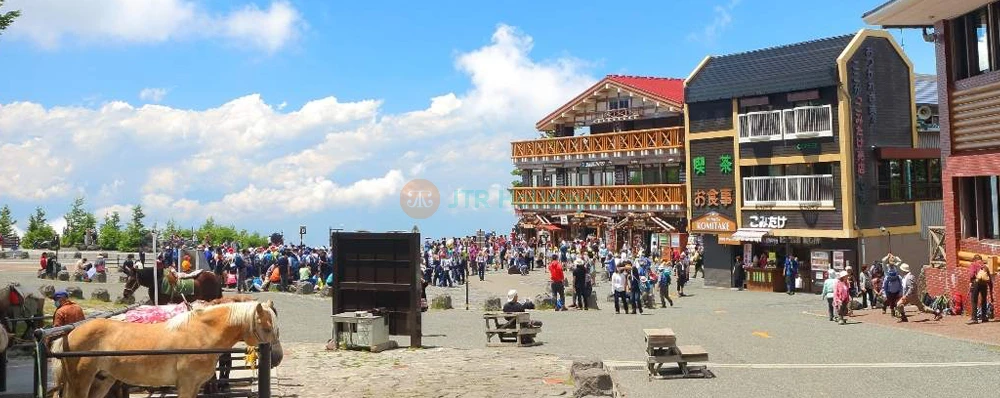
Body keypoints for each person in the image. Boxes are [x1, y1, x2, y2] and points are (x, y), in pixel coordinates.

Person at [968, 255, 994, 324]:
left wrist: (970, 282)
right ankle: (984, 317)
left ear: (974, 259)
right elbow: (990, 279)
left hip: (976, 283)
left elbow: (971, 275)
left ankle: (974, 318)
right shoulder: (985, 266)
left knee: (974, 300)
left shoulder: (973, 264)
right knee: (984, 300)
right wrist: (991, 294)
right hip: (984, 284)